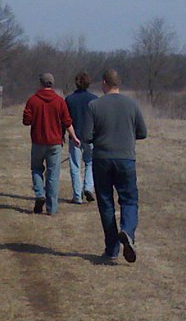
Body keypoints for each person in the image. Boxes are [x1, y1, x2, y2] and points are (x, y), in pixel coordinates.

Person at [83, 69, 147, 263]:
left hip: (102, 159)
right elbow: (142, 132)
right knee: (129, 200)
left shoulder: (94, 105)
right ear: (118, 83)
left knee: (106, 202)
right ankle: (127, 231)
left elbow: (86, 136)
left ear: (104, 83)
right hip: (126, 159)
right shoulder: (132, 104)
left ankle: (111, 249)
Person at [22, 72, 81, 216]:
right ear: (52, 84)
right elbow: (67, 122)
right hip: (55, 143)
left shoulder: (33, 100)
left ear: (40, 84)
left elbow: (26, 121)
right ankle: (52, 208)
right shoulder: (59, 101)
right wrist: (74, 137)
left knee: (36, 169)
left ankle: (39, 194)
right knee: (53, 174)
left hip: (38, 142)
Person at [65, 71, 97, 204]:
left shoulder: (69, 99)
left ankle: (77, 196)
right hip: (90, 137)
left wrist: (63, 135)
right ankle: (88, 187)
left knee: (75, 166)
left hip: (74, 136)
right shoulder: (95, 99)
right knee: (90, 162)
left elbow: (65, 120)